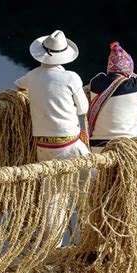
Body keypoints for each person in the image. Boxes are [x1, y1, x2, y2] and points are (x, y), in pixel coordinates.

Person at [15, 30, 89, 246]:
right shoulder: (71, 77)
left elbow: (18, 85)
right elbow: (83, 109)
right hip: (70, 145)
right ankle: (88, 239)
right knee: (94, 185)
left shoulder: (32, 76)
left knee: (53, 196)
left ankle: (52, 246)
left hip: (43, 146)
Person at [88, 42, 137, 153]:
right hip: (126, 149)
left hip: (97, 149)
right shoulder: (135, 86)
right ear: (129, 70)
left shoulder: (95, 83)